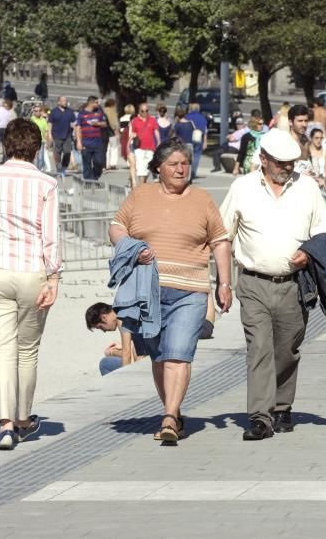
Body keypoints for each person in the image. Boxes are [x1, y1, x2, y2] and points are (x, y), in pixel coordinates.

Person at [109, 138, 232, 443]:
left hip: (190, 291)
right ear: (159, 168)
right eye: (174, 164)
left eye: (185, 164)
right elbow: (116, 227)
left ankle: (167, 417)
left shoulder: (202, 199)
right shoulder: (140, 195)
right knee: (159, 357)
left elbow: (220, 241)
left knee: (178, 354)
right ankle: (174, 413)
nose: (181, 169)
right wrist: (132, 248)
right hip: (147, 292)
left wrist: (225, 284)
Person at [220, 129, 326, 440]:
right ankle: (259, 416)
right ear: (264, 159)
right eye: (280, 163)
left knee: (286, 349)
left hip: (294, 284)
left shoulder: (307, 187)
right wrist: (223, 283)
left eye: (291, 163)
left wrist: (308, 254)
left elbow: (323, 233)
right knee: (258, 349)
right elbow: (223, 236)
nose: (287, 168)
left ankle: (282, 406)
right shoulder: (242, 188)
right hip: (254, 283)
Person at [0, 118, 62, 450]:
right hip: (32, 271)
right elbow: (51, 237)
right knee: (27, 350)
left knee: (0, 350)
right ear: (37, 148)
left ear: (5, 145)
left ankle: (4, 425)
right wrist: (54, 276)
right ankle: (22, 418)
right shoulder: (46, 183)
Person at [85, 303, 146, 375]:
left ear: (104, 317)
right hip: (151, 360)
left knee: (104, 364)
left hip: (147, 365)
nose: (104, 331)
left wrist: (113, 352)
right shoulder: (126, 310)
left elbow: (128, 355)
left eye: (101, 327)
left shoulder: (121, 318)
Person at [75, 96, 108, 181]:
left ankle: (95, 177)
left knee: (99, 162)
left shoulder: (99, 112)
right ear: (91, 103)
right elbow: (78, 128)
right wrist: (79, 142)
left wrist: (98, 123)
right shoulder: (82, 114)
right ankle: (88, 181)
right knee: (86, 163)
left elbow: (105, 124)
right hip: (86, 142)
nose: (98, 104)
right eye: (97, 102)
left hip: (98, 142)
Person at [130, 102, 160, 184]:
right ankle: (141, 186)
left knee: (149, 167)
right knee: (140, 168)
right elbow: (133, 133)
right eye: (142, 111)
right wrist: (128, 145)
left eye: (146, 110)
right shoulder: (135, 121)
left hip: (150, 148)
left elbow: (156, 131)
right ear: (139, 111)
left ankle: (143, 182)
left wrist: (159, 142)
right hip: (139, 148)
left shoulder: (152, 120)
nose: (145, 112)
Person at [48, 96, 75, 176]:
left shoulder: (70, 112)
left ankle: (64, 166)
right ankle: (59, 168)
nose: (65, 102)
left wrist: (74, 126)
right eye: (63, 101)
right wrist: (49, 134)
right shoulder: (54, 112)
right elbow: (50, 123)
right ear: (58, 102)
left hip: (67, 136)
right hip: (56, 136)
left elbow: (74, 122)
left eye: (65, 101)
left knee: (67, 152)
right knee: (57, 153)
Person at [186, 102, 209, 182]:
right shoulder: (202, 118)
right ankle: (193, 172)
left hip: (188, 138)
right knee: (196, 156)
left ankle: (188, 172)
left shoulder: (187, 117)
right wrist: (205, 142)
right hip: (199, 138)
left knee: (188, 156)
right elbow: (205, 130)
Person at [307, 127, 326, 193]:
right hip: (309, 185)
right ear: (311, 138)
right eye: (316, 138)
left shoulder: (325, 152)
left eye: (321, 138)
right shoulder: (306, 152)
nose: (319, 140)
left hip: (323, 185)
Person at [0, 98, 15, 163]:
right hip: (5, 129)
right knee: (5, 145)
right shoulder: (8, 112)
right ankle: (5, 159)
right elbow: (10, 121)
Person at [29, 103, 52, 172]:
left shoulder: (43, 120)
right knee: (34, 157)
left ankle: (39, 170)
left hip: (41, 142)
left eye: (39, 111)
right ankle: (34, 169)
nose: (38, 112)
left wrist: (48, 141)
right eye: (36, 111)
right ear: (33, 112)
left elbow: (46, 131)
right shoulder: (31, 120)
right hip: (33, 142)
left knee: (41, 158)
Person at [103, 98, 120, 170]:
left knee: (107, 149)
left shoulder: (103, 110)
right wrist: (117, 132)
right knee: (114, 148)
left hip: (104, 132)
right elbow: (115, 123)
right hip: (112, 132)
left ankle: (106, 164)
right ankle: (113, 163)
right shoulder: (113, 112)